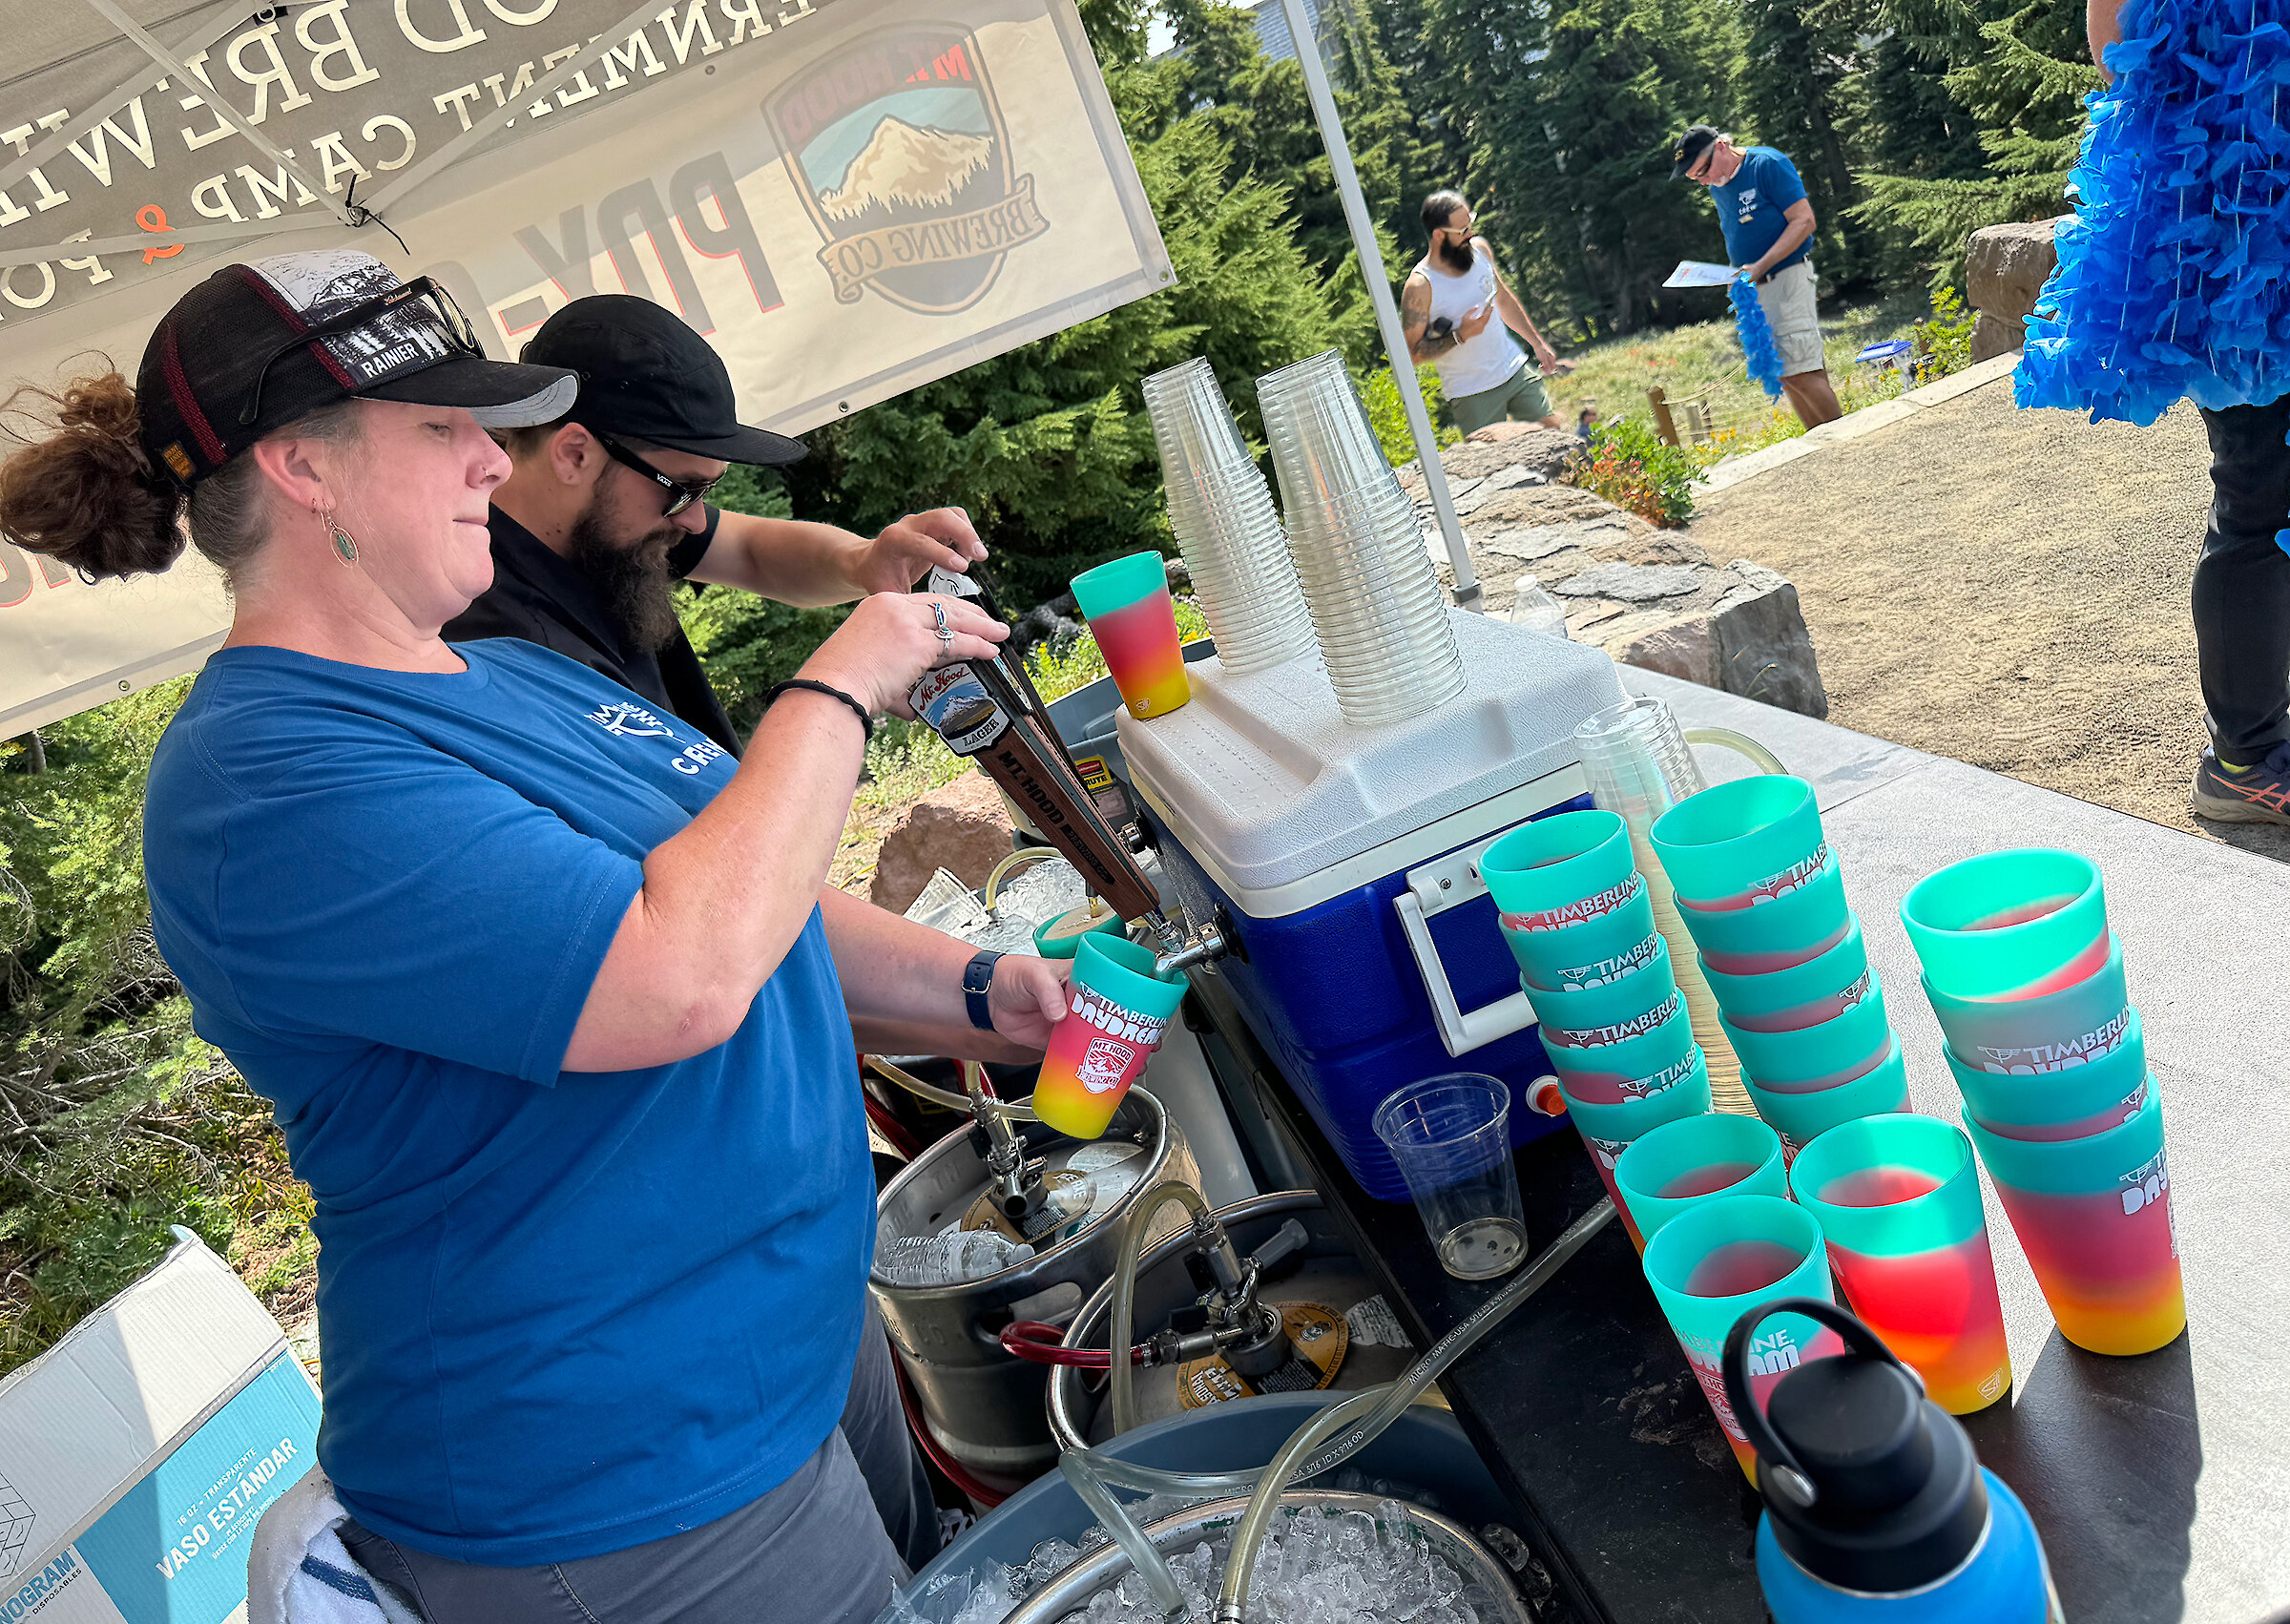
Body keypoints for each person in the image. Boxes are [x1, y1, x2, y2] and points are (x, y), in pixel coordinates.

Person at [0, 248, 1071, 1624]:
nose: (492, 468)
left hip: (789, 1347)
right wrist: (844, 677)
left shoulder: (502, 671)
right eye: (444, 428)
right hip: (613, 1471)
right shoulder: (259, 778)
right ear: (303, 470)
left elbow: (763, 898)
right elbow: (675, 974)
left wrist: (989, 992)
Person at [446, 294, 988, 754]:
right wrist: (845, 685)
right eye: (683, 488)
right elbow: (691, 858)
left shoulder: (597, 526)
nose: (695, 517)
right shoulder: (498, 638)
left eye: (706, 490)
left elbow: (751, 550)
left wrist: (862, 562)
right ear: (574, 455)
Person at [2050, 3, 2290, 825]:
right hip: (2246, 231)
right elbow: (2117, 45)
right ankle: (2243, 762)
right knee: (2261, 496)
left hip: (2248, 216)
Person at [1670, 126, 1843, 430]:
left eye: (1704, 170)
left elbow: (1804, 221)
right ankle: (1822, 442)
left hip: (1786, 276)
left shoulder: (1767, 164)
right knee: (1781, 373)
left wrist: (1761, 265)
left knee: (1800, 368)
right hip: (1753, 289)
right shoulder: (1717, 185)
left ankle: (1847, 438)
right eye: (1695, 178)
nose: (1704, 180)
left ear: (1722, 147)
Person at [1403, 191, 1569, 438]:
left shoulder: (1480, 250)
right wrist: (1460, 335)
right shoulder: (1420, 286)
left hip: (1513, 368)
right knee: (1494, 464)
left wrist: (1537, 343)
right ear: (1439, 235)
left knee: (1554, 432)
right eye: (1463, 230)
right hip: (1471, 392)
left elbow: (1503, 299)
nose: (1470, 234)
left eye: (1471, 223)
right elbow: (1412, 354)